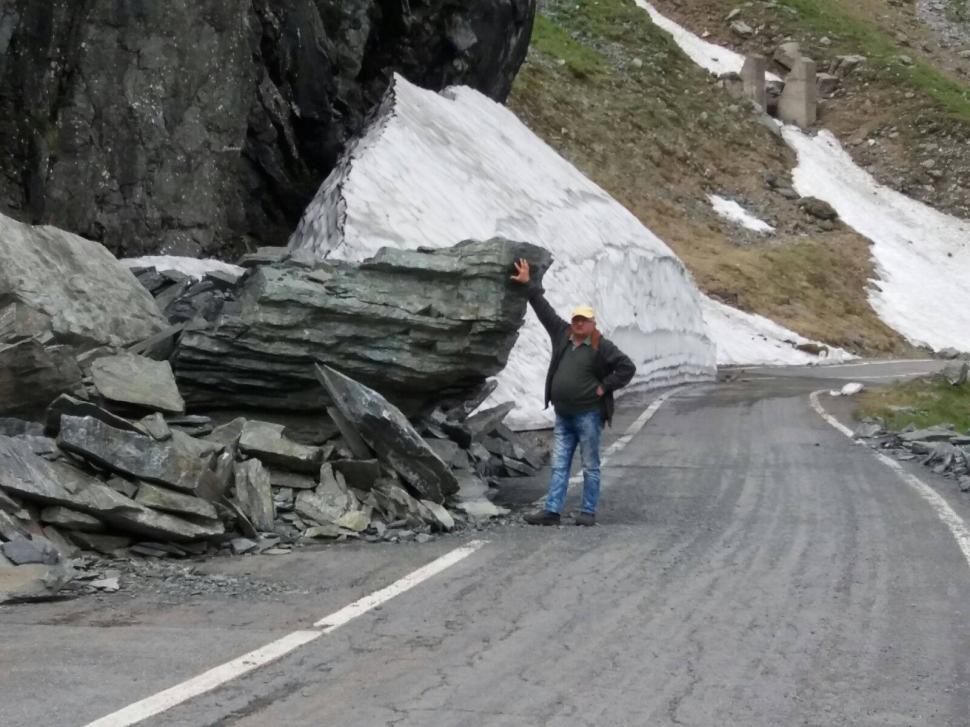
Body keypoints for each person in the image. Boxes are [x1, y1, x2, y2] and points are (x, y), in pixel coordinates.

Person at [510, 259, 636, 526]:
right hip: (564, 414)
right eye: (576, 319)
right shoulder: (562, 334)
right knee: (559, 464)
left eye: (583, 320)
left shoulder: (602, 346)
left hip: (588, 415)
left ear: (592, 323)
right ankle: (552, 511)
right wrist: (528, 284)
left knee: (590, 465)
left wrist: (605, 386)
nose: (578, 324)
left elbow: (627, 367)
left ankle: (587, 512)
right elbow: (544, 310)